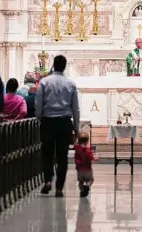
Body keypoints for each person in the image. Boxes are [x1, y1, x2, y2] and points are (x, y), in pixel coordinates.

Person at [35, 55, 80, 197]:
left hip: (48, 121)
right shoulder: (70, 84)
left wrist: (39, 117)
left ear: (53, 65)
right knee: (62, 155)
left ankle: (48, 180)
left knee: (47, 153)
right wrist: (76, 127)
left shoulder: (44, 82)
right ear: (65, 66)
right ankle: (59, 187)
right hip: (64, 121)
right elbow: (75, 108)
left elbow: (38, 103)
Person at [74, 132, 97, 197]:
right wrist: (95, 158)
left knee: (81, 181)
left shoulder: (77, 148)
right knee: (91, 180)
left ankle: (82, 191)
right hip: (88, 170)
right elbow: (91, 157)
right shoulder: (87, 150)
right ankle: (87, 185)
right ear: (87, 141)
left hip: (80, 170)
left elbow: (74, 145)